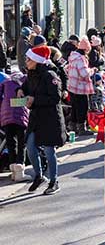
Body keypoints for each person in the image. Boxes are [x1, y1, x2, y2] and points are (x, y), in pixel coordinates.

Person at [19, 45, 66, 195]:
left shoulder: (50, 75)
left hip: (50, 118)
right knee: (30, 146)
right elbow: (26, 87)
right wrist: (19, 90)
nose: (26, 61)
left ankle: (54, 180)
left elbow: (55, 98)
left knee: (48, 149)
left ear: (37, 61)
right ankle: (39, 176)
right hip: (36, 117)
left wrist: (35, 99)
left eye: (28, 59)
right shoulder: (31, 74)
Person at [0, 71, 31, 182]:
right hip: (20, 115)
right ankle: (20, 170)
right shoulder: (25, 80)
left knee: (10, 142)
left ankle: (13, 170)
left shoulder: (5, 82)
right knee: (21, 143)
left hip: (5, 115)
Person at [65, 36, 95, 136]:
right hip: (80, 87)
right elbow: (84, 74)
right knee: (83, 107)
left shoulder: (73, 56)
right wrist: (92, 70)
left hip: (72, 86)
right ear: (86, 49)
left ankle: (72, 126)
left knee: (75, 107)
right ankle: (82, 128)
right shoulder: (81, 59)